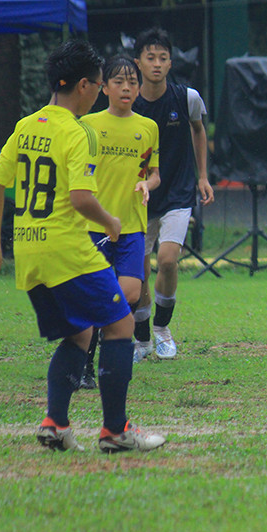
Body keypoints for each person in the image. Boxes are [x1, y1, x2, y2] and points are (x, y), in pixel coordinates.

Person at [0, 39, 164, 453]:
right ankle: (116, 431)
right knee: (121, 325)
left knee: (79, 334)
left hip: (29, 252)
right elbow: (80, 198)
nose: (98, 91)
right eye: (97, 84)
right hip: (68, 250)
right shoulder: (77, 133)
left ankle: (56, 423)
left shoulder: (27, 125)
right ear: (84, 85)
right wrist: (111, 222)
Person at [77, 55, 161, 388]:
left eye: (132, 82)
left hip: (132, 227)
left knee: (129, 292)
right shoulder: (88, 125)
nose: (126, 88)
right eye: (118, 82)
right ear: (105, 88)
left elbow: (154, 173)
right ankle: (87, 364)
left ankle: (104, 356)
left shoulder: (148, 127)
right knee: (100, 296)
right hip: (95, 226)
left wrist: (147, 184)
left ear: (139, 88)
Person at [132, 27, 214, 361]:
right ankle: (141, 341)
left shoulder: (187, 98)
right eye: (150, 57)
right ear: (138, 62)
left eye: (163, 58)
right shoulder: (128, 103)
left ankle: (162, 331)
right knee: (137, 271)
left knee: (167, 260)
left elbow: (198, 129)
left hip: (178, 192)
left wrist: (203, 176)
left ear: (170, 62)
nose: (157, 64)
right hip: (138, 197)